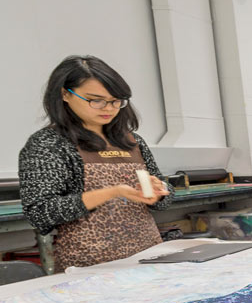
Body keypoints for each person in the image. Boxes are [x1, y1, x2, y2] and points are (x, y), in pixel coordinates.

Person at [19, 55, 173, 269]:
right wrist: (112, 192)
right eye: (96, 100)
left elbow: (165, 197)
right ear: (65, 94)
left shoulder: (132, 141)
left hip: (147, 255)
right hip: (89, 265)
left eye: (116, 101)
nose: (108, 108)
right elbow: (41, 212)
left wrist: (160, 189)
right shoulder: (48, 144)